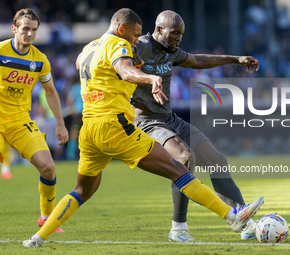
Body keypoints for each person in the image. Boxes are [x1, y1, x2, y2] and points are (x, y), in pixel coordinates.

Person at [23, 8, 264, 248]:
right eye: (134, 35)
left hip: (99, 127)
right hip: (129, 123)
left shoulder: (92, 47)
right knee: (181, 164)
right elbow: (125, 70)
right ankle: (211, 221)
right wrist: (148, 77)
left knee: (81, 191)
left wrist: (236, 59)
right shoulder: (127, 46)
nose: (135, 40)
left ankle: (38, 237)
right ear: (125, 30)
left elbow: (80, 63)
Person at [130, 10, 260, 242]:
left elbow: (197, 60)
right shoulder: (142, 46)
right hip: (146, 122)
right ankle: (178, 229)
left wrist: (235, 59)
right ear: (159, 30)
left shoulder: (170, 52)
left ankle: (245, 222)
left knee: (217, 160)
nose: (178, 38)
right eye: (174, 33)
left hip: (169, 119)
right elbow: (116, 57)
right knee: (184, 157)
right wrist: (129, 56)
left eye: (181, 34)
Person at [0, 8, 69, 232]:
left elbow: (50, 91)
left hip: (20, 121)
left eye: (33, 30)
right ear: (14, 29)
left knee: (49, 167)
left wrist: (60, 123)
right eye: (25, 29)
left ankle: (46, 218)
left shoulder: (40, 60)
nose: (29, 34)